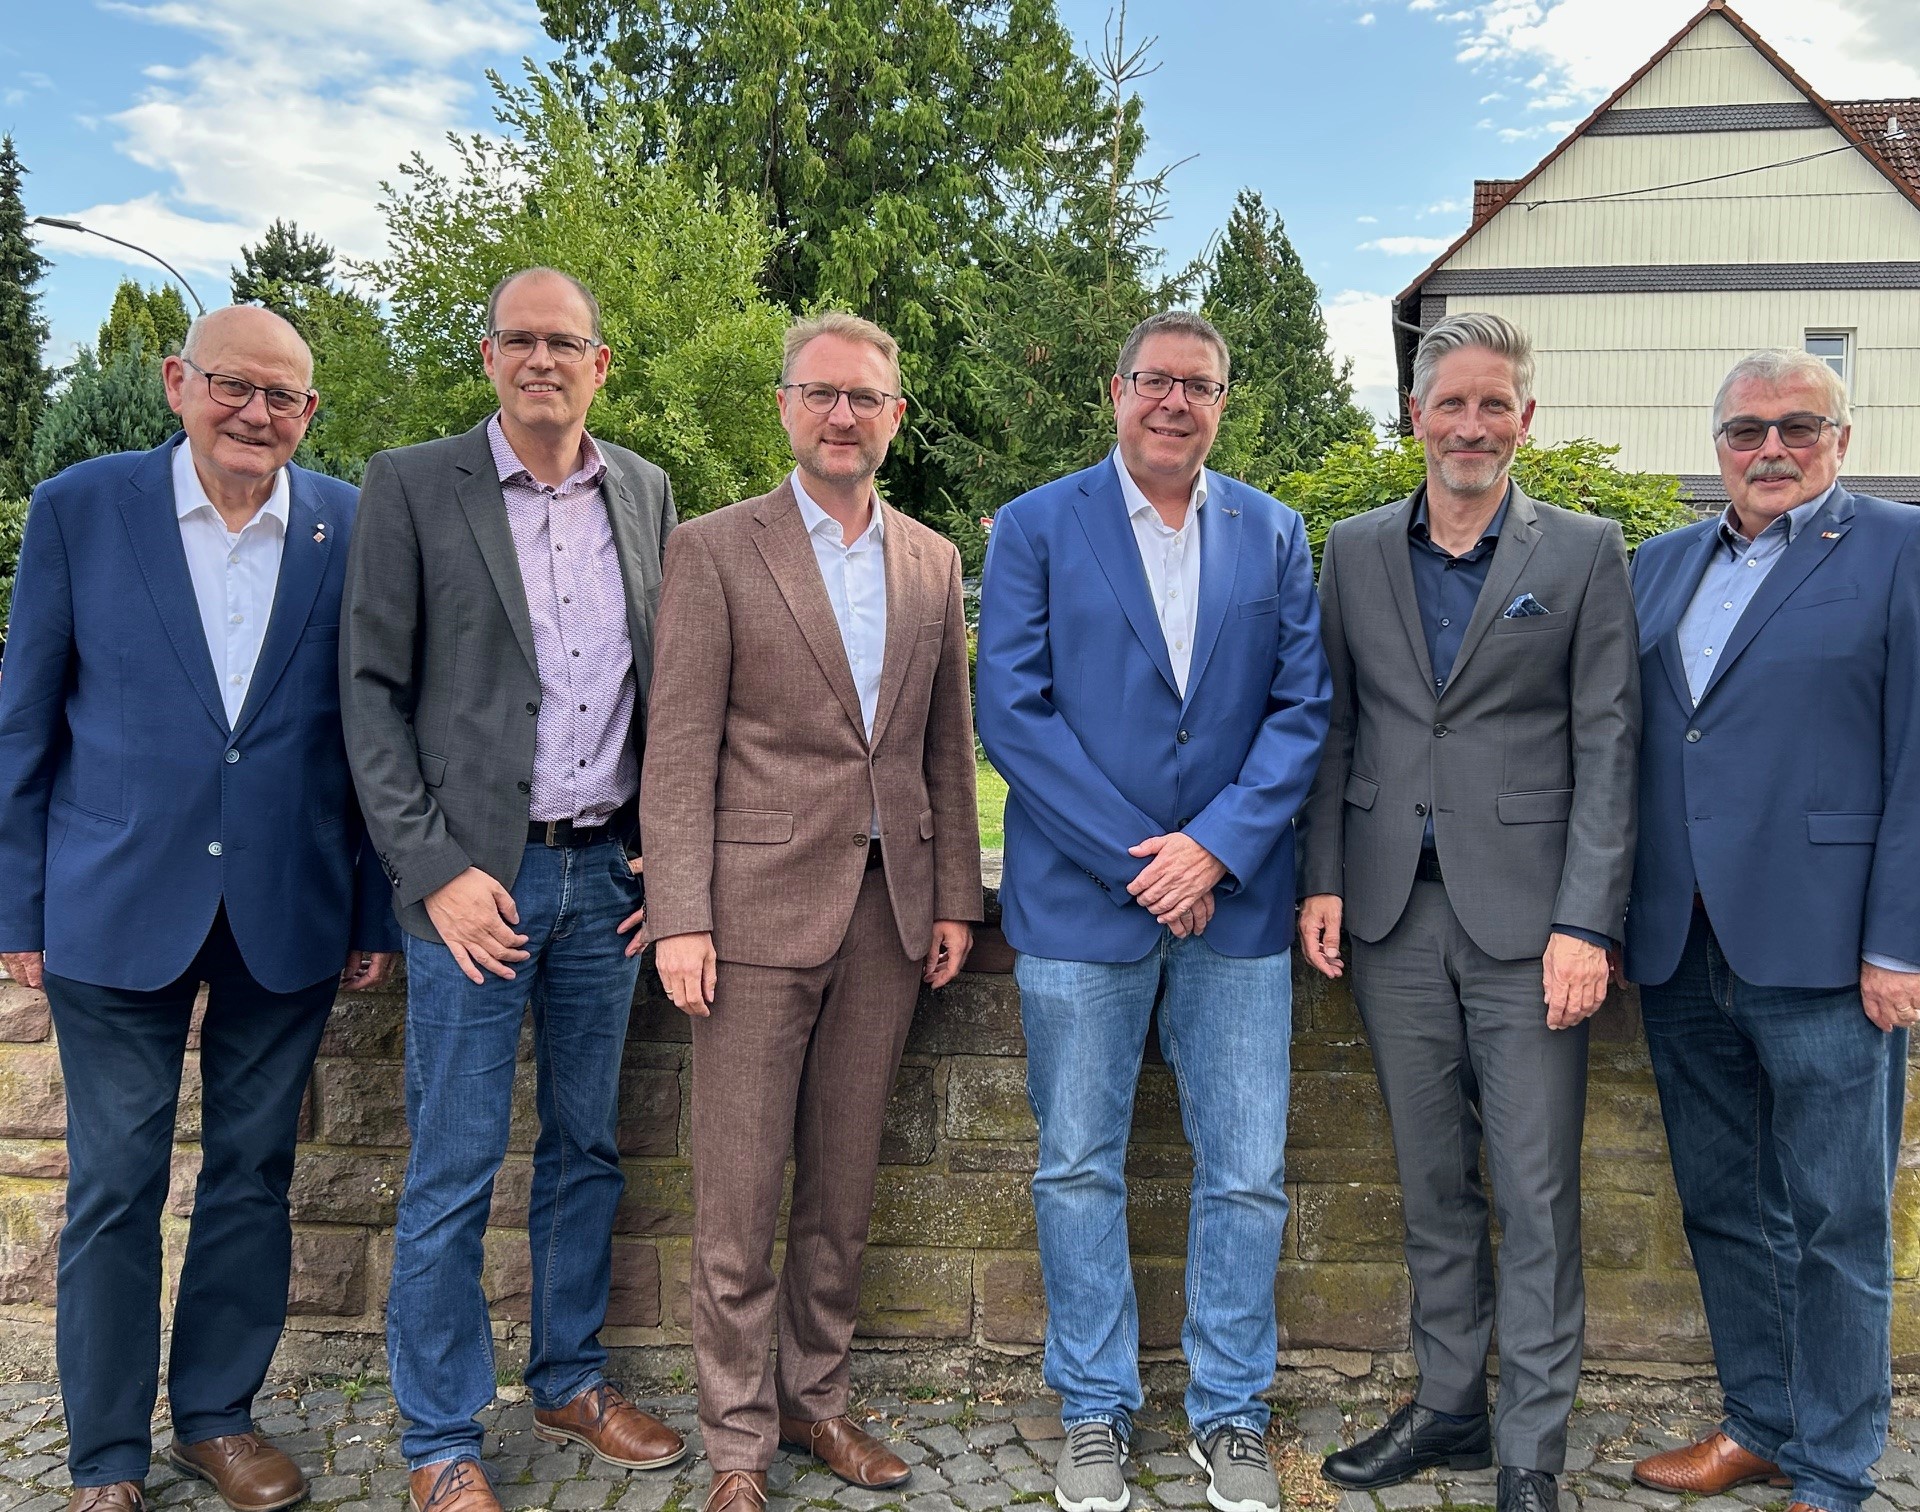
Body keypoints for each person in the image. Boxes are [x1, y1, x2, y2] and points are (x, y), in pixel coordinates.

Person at [0, 306, 398, 1512]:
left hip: (289, 906)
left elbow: (373, 734)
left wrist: (372, 912)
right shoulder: (82, 508)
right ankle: (106, 1457)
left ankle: (217, 1418)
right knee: (115, 1185)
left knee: (252, 1175)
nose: (255, 413)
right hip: (113, 906)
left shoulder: (348, 525)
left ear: (309, 413)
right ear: (180, 381)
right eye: (233, 385)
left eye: (283, 397)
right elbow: (25, 717)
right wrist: (17, 907)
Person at [340, 269, 683, 1512]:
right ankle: (440, 1440)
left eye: (565, 342)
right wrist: (434, 875)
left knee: (586, 1146)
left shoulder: (644, 490)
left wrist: (667, 852)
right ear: (488, 357)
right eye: (520, 339)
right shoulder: (410, 484)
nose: (544, 359)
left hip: (607, 878)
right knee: (455, 1160)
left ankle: (569, 1379)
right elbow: (369, 696)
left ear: (601, 363)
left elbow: (671, 688)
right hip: (475, 885)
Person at [975, 311, 1329, 1512]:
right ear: (1115, 389)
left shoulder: (1273, 531)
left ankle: (1231, 1411)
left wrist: (1215, 851)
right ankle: (1094, 1407)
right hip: (1084, 906)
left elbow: (1301, 710)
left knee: (1247, 1173)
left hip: (1236, 910)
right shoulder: (1036, 526)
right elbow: (1013, 713)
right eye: (1154, 380)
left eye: (1199, 385)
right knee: (1078, 1166)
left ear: (1224, 402)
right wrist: (1146, 863)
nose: (1175, 401)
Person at [1624, 350, 1920, 1512]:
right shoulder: (1661, 562)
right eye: (1747, 430)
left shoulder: (1905, 547)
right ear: (1717, 444)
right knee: (1725, 1206)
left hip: (1829, 951)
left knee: (1838, 1221)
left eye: (1798, 425)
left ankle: (1835, 1465)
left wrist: (1897, 944)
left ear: (1842, 437)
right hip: (1681, 944)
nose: (1771, 448)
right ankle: (1761, 1425)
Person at [1296, 312, 1639, 1512]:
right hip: (1392, 916)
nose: (1472, 425)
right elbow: (1335, 727)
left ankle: (1530, 1446)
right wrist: (1323, 877)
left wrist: (1588, 924)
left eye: (1495, 404)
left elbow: (1609, 748)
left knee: (1537, 1192)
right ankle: (1449, 1406)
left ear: (1525, 419)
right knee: (1432, 1177)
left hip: (1532, 927)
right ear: (1416, 416)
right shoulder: (1352, 551)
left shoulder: (1584, 552)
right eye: (1452, 403)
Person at [642, 311, 983, 1512]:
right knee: (738, 1199)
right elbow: (677, 751)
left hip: (889, 919)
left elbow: (946, 748)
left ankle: (815, 1401)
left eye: (865, 398)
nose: (843, 415)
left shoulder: (932, 561)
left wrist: (955, 897)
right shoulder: (713, 550)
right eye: (821, 393)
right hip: (747, 921)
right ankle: (738, 1444)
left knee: (841, 1190)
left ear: (895, 416)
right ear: (785, 406)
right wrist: (680, 915)